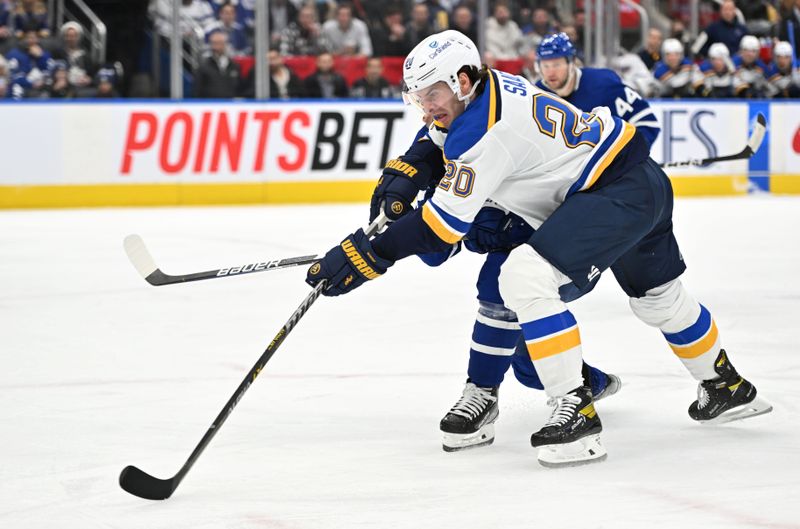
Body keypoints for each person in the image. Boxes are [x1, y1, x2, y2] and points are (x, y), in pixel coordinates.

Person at [305, 30, 772, 467]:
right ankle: (725, 385)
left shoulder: (483, 135)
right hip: (634, 182)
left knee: (523, 275)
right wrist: (410, 167)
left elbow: (439, 231)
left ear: (462, 81)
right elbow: (435, 139)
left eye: (433, 95)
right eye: (419, 98)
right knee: (660, 300)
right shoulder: (486, 88)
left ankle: (576, 411)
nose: (426, 109)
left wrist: (367, 252)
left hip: (610, 195)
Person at [194, 30, 242, 98]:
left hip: (231, 106)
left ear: (225, 44)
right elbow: (197, 90)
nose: (216, 47)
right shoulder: (203, 67)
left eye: (219, 43)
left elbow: (240, 88)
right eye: (213, 43)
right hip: (209, 105)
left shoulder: (234, 66)